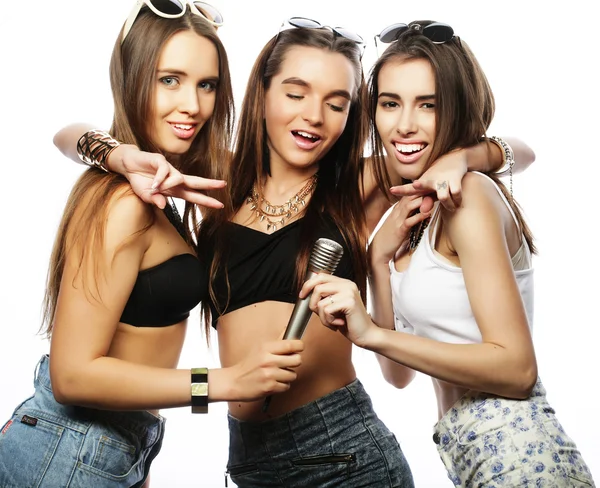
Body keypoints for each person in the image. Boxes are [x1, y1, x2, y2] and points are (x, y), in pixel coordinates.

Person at [52, 16, 538, 487]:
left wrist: (466, 156)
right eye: (295, 92)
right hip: (248, 460)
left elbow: (522, 151)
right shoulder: (217, 182)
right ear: (262, 92)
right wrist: (114, 154)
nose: (313, 116)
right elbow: (66, 134)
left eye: (336, 102)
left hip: (341, 452)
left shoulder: (358, 185)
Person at [0, 4, 304, 488]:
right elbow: (72, 375)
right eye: (170, 80)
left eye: (206, 85)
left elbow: (67, 135)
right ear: (132, 77)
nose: (193, 105)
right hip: (68, 449)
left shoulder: (168, 181)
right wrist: (222, 383)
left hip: (109, 446)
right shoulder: (125, 203)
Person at [300, 20, 596, 487]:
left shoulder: (469, 197)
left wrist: (468, 157)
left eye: (428, 105)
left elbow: (517, 371)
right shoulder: (419, 215)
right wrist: (378, 260)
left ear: (455, 109)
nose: (404, 125)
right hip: (470, 456)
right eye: (390, 103)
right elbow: (398, 375)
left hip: (521, 456)